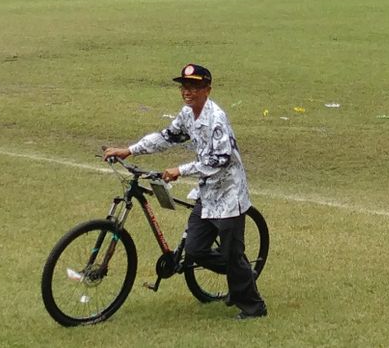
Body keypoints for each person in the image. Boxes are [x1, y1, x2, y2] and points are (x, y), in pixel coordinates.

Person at [103, 64, 267, 321]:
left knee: (232, 254)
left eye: (194, 86)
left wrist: (181, 169)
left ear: (207, 90)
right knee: (195, 250)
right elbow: (167, 137)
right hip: (207, 192)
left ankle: (253, 305)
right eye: (184, 86)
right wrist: (130, 149)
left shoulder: (216, 119)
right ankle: (240, 275)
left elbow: (220, 160)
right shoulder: (188, 114)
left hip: (229, 193)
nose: (187, 92)